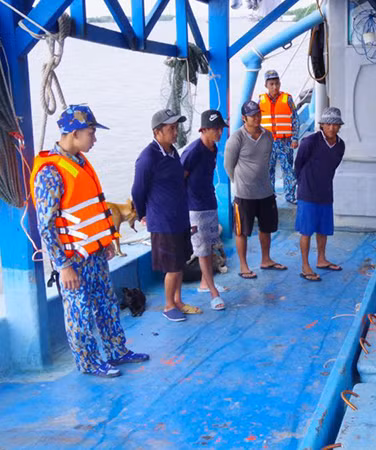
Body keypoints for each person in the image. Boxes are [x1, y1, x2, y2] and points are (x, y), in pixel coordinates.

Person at [31, 105, 149, 377]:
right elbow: (45, 226)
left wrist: (106, 240)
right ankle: (89, 362)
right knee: (80, 313)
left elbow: (92, 209)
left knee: (107, 303)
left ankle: (117, 351)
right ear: (73, 133)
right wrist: (63, 265)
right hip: (73, 261)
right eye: (91, 132)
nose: (94, 139)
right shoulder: (51, 172)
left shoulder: (81, 162)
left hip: (95, 253)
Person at [132, 108, 201, 322]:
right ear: (157, 132)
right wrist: (143, 214)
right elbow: (138, 190)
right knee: (171, 267)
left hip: (179, 218)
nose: (176, 132)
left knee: (180, 262)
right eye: (171, 128)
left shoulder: (172, 152)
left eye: (176, 127)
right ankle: (169, 305)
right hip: (163, 222)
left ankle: (179, 300)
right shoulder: (147, 158)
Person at [224, 100, 286, 279]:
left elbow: (266, 162)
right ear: (244, 118)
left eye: (258, 114)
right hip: (244, 194)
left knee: (266, 228)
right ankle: (244, 266)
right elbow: (228, 166)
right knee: (242, 231)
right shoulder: (236, 138)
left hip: (265, 191)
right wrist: (240, 182)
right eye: (253, 115)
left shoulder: (268, 136)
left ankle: (266, 260)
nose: (257, 117)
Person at [181, 109, 229, 311]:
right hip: (196, 209)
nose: (219, 133)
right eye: (216, 129)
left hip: (210, 203)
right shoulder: (192, 152)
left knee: (209, 246)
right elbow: (179, 179)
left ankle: (204, 283)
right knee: (201, 250)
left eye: (221, 128)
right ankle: (213, 293)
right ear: (204, 129)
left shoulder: (213, 149)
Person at [294, 107, 346, 281]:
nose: (332, 128)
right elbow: (298, 165)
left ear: (339, 126)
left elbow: (333, 166)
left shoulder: (341, 145)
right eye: (328, 124)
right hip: (307, 193)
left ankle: (321, 259)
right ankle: (305, 265)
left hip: (326, 193)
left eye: (335, 124)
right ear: (322, 125)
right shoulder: (309, 142)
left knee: (323, 229)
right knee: (306, 231)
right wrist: (304, 184)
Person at [259, 69, 299, 204]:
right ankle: (270, 195)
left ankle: (290, 196)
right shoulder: (260, 100)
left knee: (288, 169)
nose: (274, 87)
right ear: (266, 85)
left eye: (277, 83)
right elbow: (255, 122)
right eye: (271, 84)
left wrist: (295, 138)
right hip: (267, 142)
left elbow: (295, 119)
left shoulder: (287, 99)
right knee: (268, 169)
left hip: (285, 141)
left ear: (280, 84)